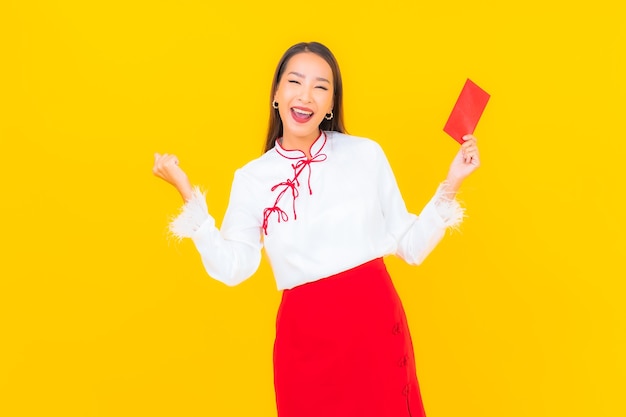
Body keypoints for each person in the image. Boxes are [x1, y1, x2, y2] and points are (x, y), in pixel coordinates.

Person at [153, 41, 480, 417]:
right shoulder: (252, 179)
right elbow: (233, 266)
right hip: (304, 343)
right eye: (295, 82)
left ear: (330, 105)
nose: (306, 95)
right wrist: (186, 193)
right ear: (277, 94)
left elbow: (411, 246)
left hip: (374, 330)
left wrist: (453, 181)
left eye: (321, 87)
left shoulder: (365, 154)